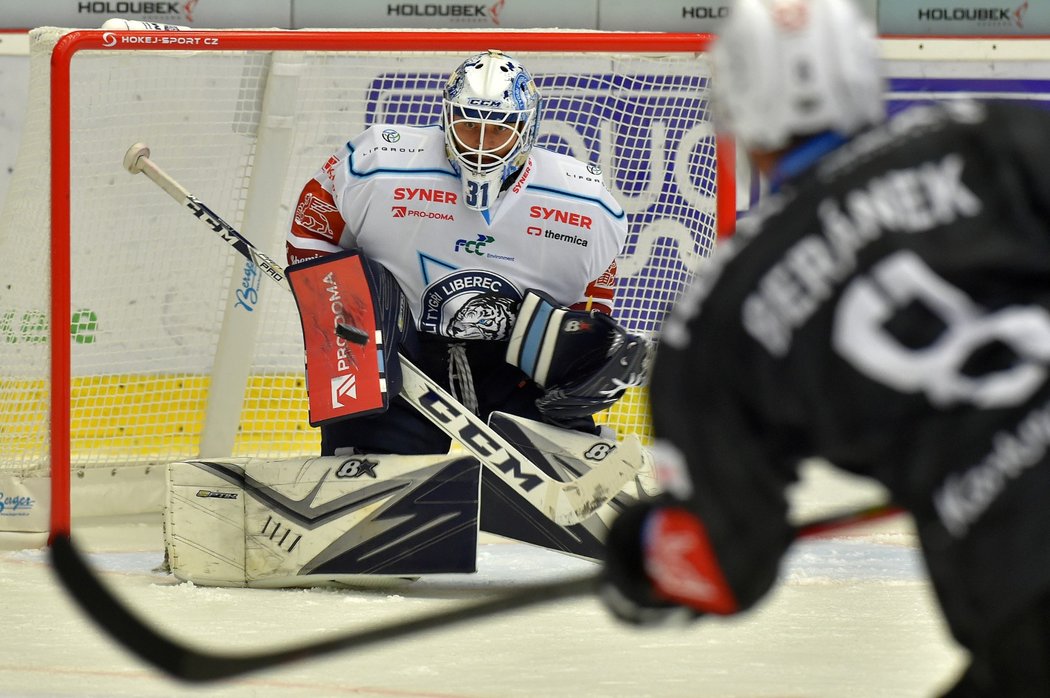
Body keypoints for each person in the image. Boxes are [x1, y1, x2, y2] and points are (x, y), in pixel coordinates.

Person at [600, 0, 1050, 696]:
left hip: (1023, 582)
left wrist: (640, 557)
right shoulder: (988, 138)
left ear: (736, 101)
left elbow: (723, 565)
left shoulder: (719, 312)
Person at [286, 49, 642, 458]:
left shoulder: (584, 202)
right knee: (368, 487)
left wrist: (577, 349)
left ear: (526, 129)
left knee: (559, 474)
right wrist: (339, 316)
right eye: (470, 125)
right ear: (447, 117)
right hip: (401, 352)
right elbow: (313, 229)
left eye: (499, 130)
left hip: (515, 367)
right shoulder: (377, 164)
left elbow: (596, 280)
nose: (482, 145)